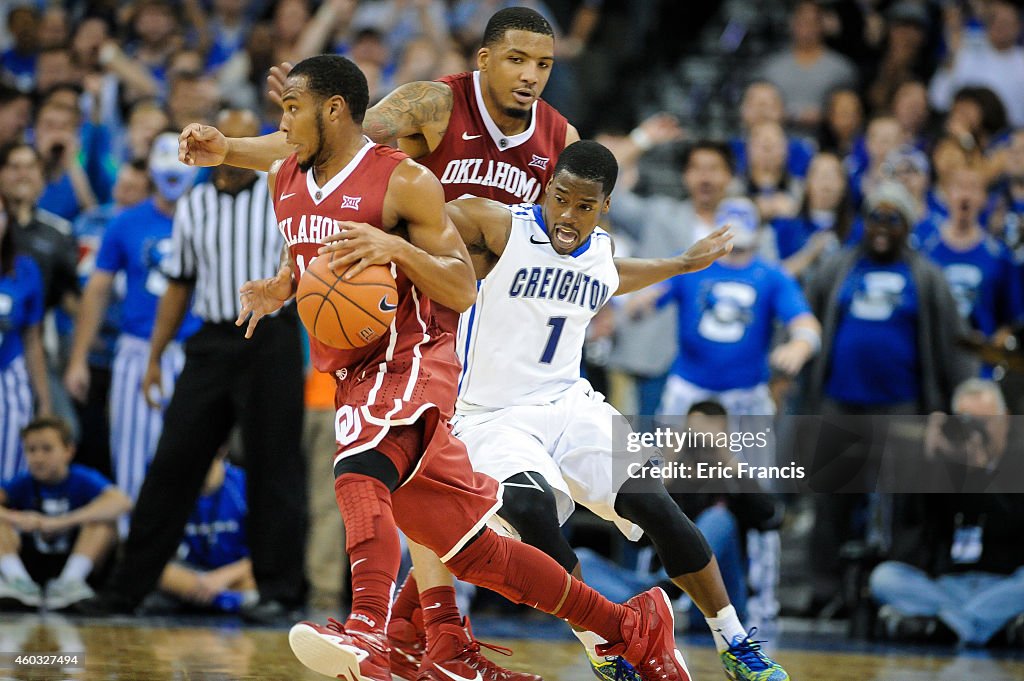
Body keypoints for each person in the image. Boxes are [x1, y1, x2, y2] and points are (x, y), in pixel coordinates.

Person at [220, 55, 688, 681]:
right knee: (475, 552)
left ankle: (368, 629)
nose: (282, 121)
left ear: (332, 110)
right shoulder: (288, 179)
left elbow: (462, 286)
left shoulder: (409, 177)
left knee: (359, 471)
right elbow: (310, 254)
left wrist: (394, 247)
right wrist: (283, 284)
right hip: (353, 366)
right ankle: (627, 626)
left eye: (291, 108)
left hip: (414, 354)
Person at [180, 9, 579, 679]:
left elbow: (575, 229)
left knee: (485, 506)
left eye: (543, 63)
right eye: (517, 59)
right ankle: (428, 628)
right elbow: (341, 152)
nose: (530, 75)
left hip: (504, 318)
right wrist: (234, 150)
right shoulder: (433, 103)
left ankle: (435, 626)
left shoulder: (556, 134)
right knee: (415, 483)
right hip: (416, 305)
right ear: (485, 59)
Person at [414, 140, 789, 680]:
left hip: (569, 403)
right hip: (488, 415)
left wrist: (682, 264)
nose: (568, 215)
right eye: (561, 199)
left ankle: (734, 642)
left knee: (658, 507)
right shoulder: (500, 227)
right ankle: (601, 642)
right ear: (547, 189)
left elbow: (615, 272)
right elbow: (424, 213)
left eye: (584, 206)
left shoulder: (597, 251)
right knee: (533, 513)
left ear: (604, 206)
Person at [73, 111, 308, 622]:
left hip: (271, 338)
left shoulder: (282, 188)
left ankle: (281, 591)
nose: (238, 142)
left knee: (275, 466)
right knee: (172, 462)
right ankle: (127, 590)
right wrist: (156, 357)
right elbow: (179, 282)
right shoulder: (194, 201)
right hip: (211, 341)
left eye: (248, 132)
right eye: (231, 132)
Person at [64, 132, 201, 508]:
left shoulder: (208, 217)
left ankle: (185, 555)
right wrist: (77, 359)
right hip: (137, 349)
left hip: (195, 350)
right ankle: (133, 549)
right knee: (132, 458)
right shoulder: (125, 223)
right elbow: (96, 290)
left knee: (194, 458)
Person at [0, 417, 130, 611]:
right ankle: (18, 582)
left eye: (47, 449)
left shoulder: (82, 477)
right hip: (33, 564)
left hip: (73, 561)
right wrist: (17, 518)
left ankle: (70, 582)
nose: (38, 457)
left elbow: (122, 502)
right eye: (31, 450)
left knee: (103, 523)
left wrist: (60, 523)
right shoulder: (22, 482)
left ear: (69, 451)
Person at [156, 447, 258, 614]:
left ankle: (214, 600)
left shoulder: (243, 486)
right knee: (159, 573)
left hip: (234, 573)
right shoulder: (171, 490)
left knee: (259, 577)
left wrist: (222, 577)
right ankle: (231, 602)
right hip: (195, 575)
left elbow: (265, 554)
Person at [0, 197, 50, 481]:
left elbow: (33, 340)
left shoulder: (25, 270)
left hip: (10, 382)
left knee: (9, 479)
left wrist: (43, 403)